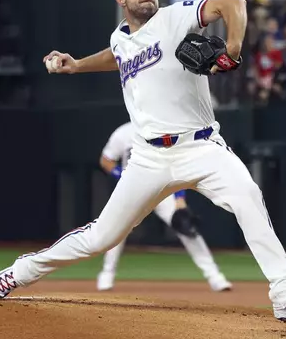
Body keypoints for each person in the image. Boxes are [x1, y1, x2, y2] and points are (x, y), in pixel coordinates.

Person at [0, 0, 286, 323]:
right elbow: (117, 55)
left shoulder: (175, 18)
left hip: (202, 146)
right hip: (148, 158)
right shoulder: (120, 39)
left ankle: (285, 293)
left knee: (249, 198)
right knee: (102, 237)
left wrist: (233, 50)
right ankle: (19, 273)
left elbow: (234, 4)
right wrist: (77, 65)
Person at [96, 121, 232, 292]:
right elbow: (106, 160)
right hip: (134, 190)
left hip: (162, 191)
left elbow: (176, 166)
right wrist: (121, 175)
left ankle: (215, 277)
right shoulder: (123, 132)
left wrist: (180, 199)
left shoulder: (165, 129)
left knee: (186, 227)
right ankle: (107, 274)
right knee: (117, 231)